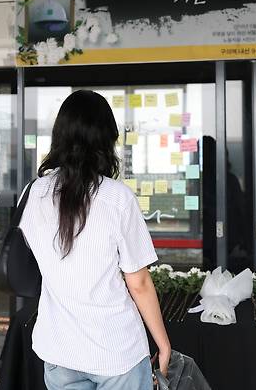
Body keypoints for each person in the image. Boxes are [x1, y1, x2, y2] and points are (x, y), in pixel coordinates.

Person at [18, 90, 171, 390]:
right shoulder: (117, 198)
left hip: (59, 350)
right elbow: (138, 282)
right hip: (117, 352)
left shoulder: (33, 193)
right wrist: (163, 345)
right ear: (106, 140)